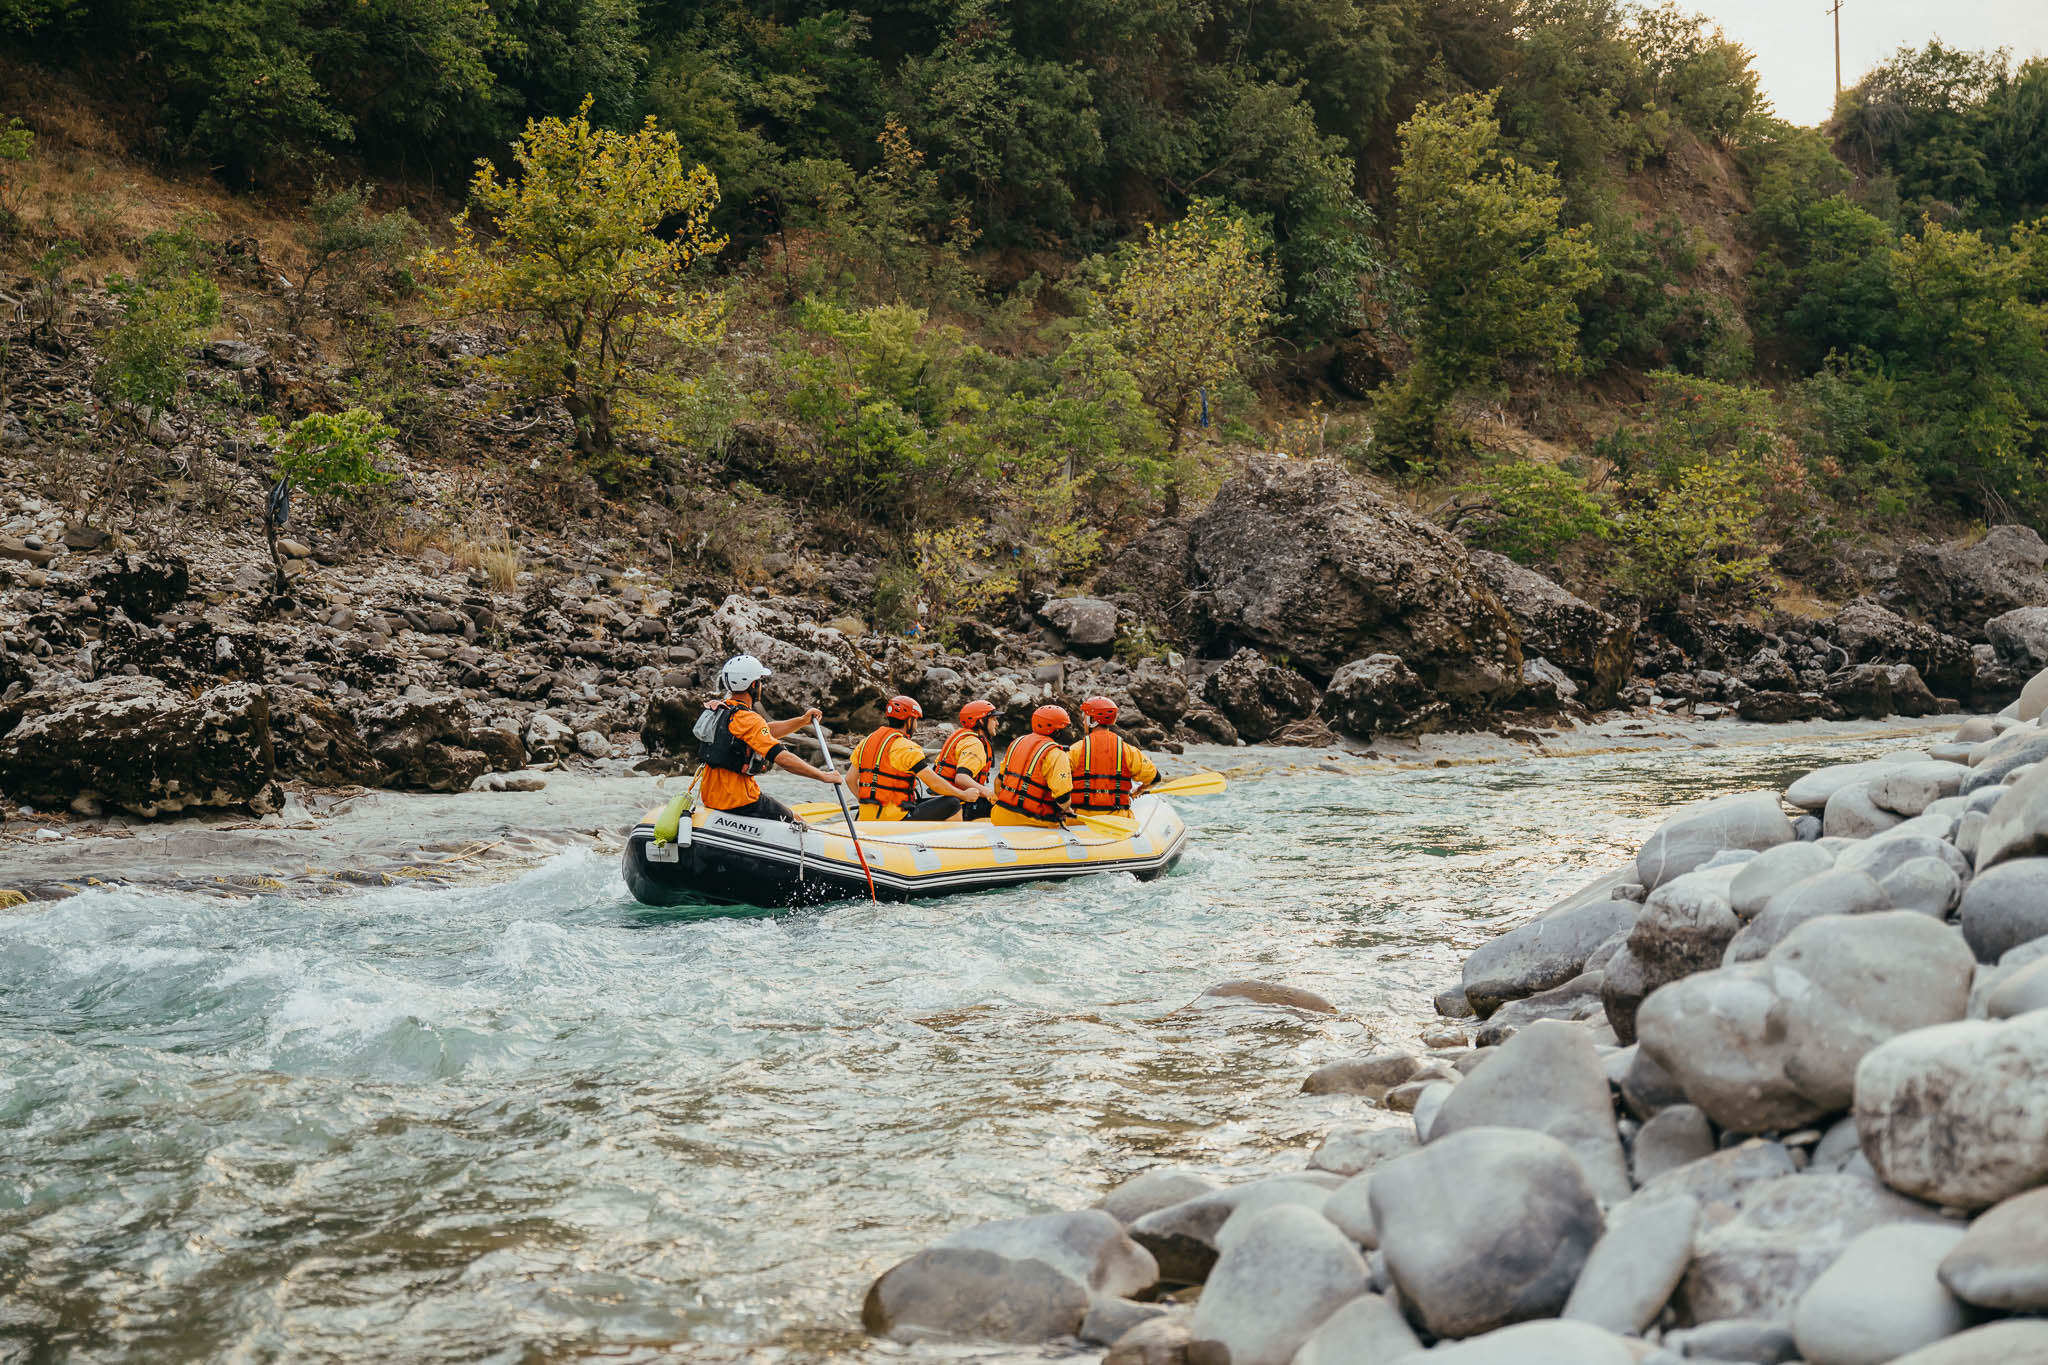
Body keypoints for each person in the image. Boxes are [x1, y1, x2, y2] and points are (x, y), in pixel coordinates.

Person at [696, 654, 843, 823]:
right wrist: (823, 776)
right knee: (796, 820)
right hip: (740, 801)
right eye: (760, 682)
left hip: (712, 797)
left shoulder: (722, 710)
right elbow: (782, 757)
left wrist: (802, 721)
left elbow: (763, 731)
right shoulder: (749, 720)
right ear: (753, 684)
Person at [852, 695, 977, 821]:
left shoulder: (865, 742)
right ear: (909, 721)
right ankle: (952, 840)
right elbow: (934, 784)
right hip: (895, 818)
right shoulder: (906, 747)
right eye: (916, 720)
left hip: (865, 816)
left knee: (927, 801)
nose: (916, 725)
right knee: (953, 803)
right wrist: (964, 795)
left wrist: (864, 801)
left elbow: (850, 779)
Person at [1068, 695, 1159, 815]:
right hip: (1118, 818)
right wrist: (1138, 791)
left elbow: (1058, 782)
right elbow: (1155, 779)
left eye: (1085, 717)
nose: (1083, 721)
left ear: (1092, 721)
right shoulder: (1128, 750)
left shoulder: (1075, 750)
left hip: (1080, 820)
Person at [991, 704, 1076, 827]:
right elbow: (1062, 798)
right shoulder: (1057, 754)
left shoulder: (1017, 743)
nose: (1067, 731)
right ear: (1055, 730)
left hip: (1000, 816)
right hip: (1035, 822)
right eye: (1064, 727)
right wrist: (1068, 809)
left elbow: (998, 781)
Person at [933, 699, 999, 820]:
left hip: (944, 800)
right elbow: (961, 778)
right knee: (1002, 807)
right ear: (981, 721)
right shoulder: (974, 744)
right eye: (994, 719)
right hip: (961, 804)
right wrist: (988, 793)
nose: (997, 723)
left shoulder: (964, 738)